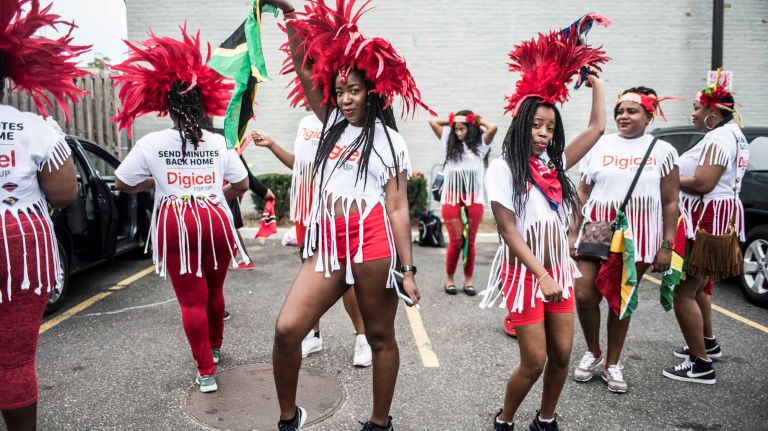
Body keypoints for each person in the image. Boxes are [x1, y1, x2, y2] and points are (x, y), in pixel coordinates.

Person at [264, 0, 428, 429]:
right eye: (340, 91)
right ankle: (288, 417)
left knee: (379, 337)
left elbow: (397, 207)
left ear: (371, 90)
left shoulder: (391, 142)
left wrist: (407, 268)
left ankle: (379, 422)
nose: (345, 98)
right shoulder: (332, 121)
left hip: (373, 241)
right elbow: (303, 66)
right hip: (329, 243)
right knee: (287, 329)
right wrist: (288, 13)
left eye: (354, 89)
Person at [479, 21, 607, 431]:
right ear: (522, 125)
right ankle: (505, 418)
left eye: (550, 128)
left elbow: (597, 129)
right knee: (534, 361)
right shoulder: (503, 169)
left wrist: (596, 84)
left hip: (560, 271)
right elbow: (508, 230)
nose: (544, 133)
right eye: (536, 124)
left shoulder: (553, 165)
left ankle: (546, 419)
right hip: (525, 272)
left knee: (564, 355)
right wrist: (540, 274)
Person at [112, 27, 250, 393]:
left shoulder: (152, 142)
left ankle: (206, 372)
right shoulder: (218, 142)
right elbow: (242, 185)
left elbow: (122, 182)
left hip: (176, 221)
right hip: (216, 218)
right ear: (202, 105)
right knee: (215, 290)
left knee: (192, 299)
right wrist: (212, 194)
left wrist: (157, 183)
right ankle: (216, 349)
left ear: (167, 105)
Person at [0, 2, 85, 428]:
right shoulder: (34, 126)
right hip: (20, 246)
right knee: (13, 361)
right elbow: (65, 193)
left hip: (20, 249)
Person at [571, 87, 680, 393]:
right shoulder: (599, 145)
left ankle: (612, 364)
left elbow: (671, 201)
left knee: (623, 300)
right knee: (584, 295)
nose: (623, 116)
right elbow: (582, 192)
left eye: (632, 111)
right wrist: (571, 231)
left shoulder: (663, 150)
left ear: (649, 115)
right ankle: (593, 351)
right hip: (597, 229)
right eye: (620, 111)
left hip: (640, 237)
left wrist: (667, 245)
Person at [251, 120, 373, 367]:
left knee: (345, 278)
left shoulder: (343, 120)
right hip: (306, 210)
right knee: (311, 273)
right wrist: (272, 145)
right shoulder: (306, 122)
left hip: (331, 210)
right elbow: (301, 166)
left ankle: (362, 337)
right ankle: (313, 335)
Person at [663, 71, 748, 384]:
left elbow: (703, 182)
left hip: (705, 221)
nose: (693, 113)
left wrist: (669, 180)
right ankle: (707, 344)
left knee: (684, 291)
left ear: (713, 114)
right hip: (716, 217)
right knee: (700, 288)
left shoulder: (718, 138)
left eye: (698, 108)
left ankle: (700, 365)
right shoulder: (733, 134)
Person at [428, 111, 497, 296]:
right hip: (452, 199)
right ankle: (449, 279)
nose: (458, 132)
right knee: (457, 240)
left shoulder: (481, 145)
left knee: (470, 241)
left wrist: (476, 120)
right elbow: (432, 121)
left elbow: (493, 128)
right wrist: (453, 120)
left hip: (473, 200)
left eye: (462, 128)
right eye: (456, 129)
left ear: (471, 129)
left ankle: (468, 281)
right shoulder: (448, 143)